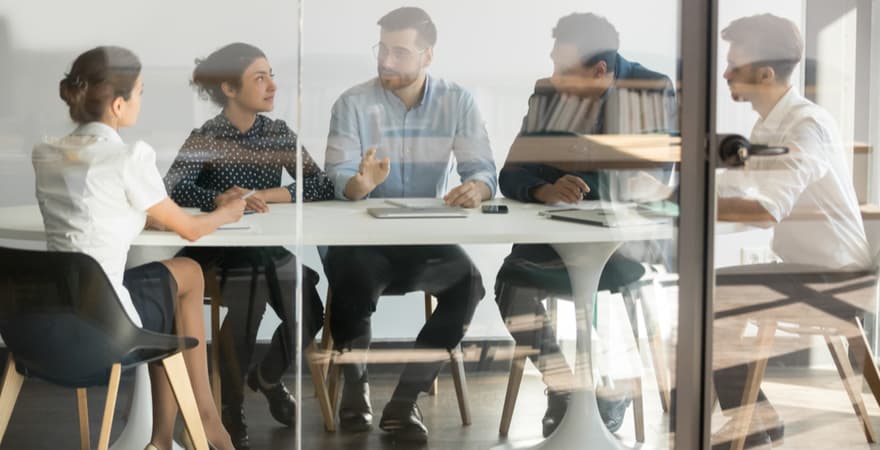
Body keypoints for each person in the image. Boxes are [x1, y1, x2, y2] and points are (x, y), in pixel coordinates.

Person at [32, 46, 243, 450]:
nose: (142, 100)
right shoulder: (129, 156)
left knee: (166, 287)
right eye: (141, 92)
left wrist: (141, 214)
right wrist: (227, 211)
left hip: (48, 322)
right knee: (190, 274)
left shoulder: (46, 154)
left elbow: (91, 210)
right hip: (106, 326)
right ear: (116, 105)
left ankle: (161, 436)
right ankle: (201, 419)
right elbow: (191, 231)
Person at [495, 12, 678, 438]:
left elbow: (651, 178)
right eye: (552, 64)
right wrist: (543, 189)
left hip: (622, 243)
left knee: (608, 297)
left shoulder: (649, 89)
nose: (553, 78)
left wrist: (584, 179)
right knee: (510, 286)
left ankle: (612, 390)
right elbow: (511, 174)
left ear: (600, 72)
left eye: (563, 71)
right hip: (553, 239)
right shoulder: (546, 93)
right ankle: (566, 390)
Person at [323, 6, 497, 442]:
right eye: (382, 49)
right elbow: (337, 174)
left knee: (469, 284)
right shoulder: (352, 103)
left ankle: (405, 401)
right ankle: (356, 385)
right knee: (350, 277)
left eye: (400, 52)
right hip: (363, 240)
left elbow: (484, 169)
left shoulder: (458, 101)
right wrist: (358, 184)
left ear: (427, 56)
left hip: (423, 238)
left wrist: (478, 187)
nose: (386, 61)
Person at [713, 14, 872, 450]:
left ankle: (751, 421)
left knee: (709, 296)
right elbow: (737, 188)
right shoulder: (768, 125)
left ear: (765, 73)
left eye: (734, 65)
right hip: (808, 267)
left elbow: (764, 210)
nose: (725, 72)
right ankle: (753, 419)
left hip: (837, 280)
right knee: (710, 291)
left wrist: (685, 204)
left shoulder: (805, 127)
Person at [163, 43, 330, 450]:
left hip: (266, 249)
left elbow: (321, 184)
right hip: (217, 253)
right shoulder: (207, 136)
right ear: (229, 89)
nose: (273, 85)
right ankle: (230, 406)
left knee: (309, 306)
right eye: (260, 77)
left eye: (271, 74)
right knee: (247, 299)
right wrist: (217, 199)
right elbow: (171, 188)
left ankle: (268, 377)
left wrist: (267, 194)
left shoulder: (278, 133)